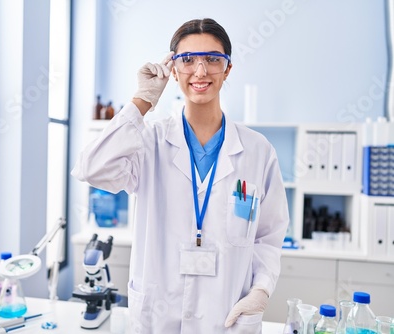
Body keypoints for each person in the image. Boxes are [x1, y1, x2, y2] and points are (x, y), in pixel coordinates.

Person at [72, 18, 289, 333]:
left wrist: (261, 290)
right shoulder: (149, 142)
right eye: (187, 60)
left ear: (228, 69)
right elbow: (90, 167)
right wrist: (142, 102)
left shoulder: (257, 151)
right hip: (158, 318)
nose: (200, 72)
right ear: (172, 69)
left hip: (227, 318)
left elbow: (269, 236)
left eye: (213, 60)